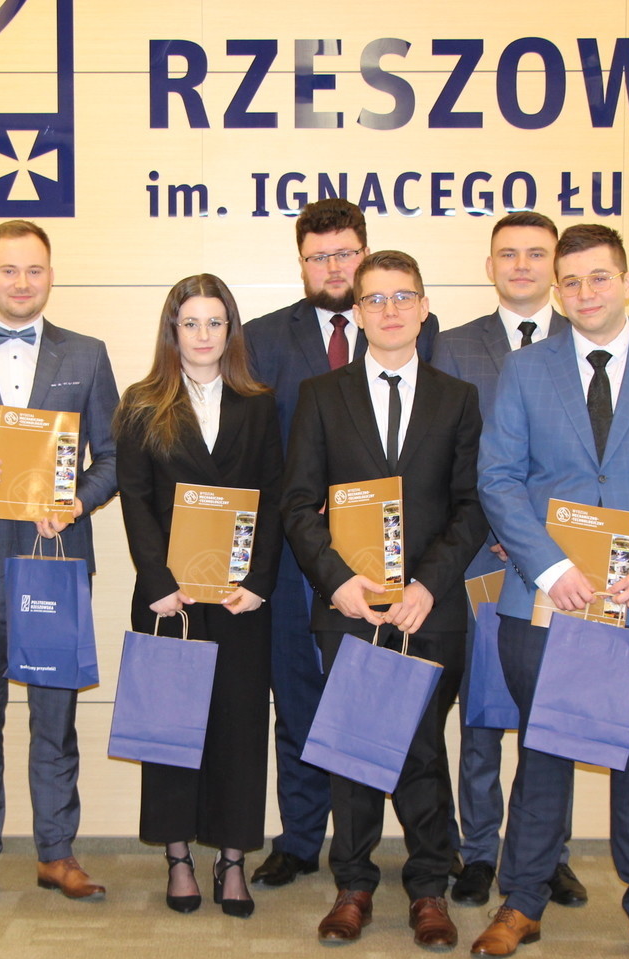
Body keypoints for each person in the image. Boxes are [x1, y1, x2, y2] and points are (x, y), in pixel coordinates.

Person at [474, 224, 629, 959]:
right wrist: (551, 567)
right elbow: (499, 479)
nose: (585, 293)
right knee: (543, 754)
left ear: (628, 281)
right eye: (572, 282)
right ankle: (522, 902)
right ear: (558, 292)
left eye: (599, 278)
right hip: (548, 601)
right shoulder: (526, 370)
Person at [281, 250, 486, 950]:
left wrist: (428, 585)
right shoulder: (321, 394)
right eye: (375, 299)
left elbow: (471, 507)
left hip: (429, 606)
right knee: (352, 749)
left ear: (424, 309)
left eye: (403, 297)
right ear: (358, 312)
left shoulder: (458, 399)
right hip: (351, 605)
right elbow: (297, 503)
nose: (390, 310)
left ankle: (429, 889)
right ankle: (354, 886)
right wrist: (337, 581)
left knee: (423, 748)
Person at [0, 220, 119, 907]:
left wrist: (78, 501)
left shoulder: (87, 354)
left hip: (56, 560)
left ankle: (57, 854)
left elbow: (113, 457)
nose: (22, 282)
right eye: (8, 269)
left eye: (34, 270)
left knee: (55, 720)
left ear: (50, 276)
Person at [243, 198, 441, 888]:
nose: (333, 267)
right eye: (318, 257)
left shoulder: (406, 325)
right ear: (301, 263)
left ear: (365, 253)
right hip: (296, 556)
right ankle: (302, 837)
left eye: (345, 254)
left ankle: (382, 843)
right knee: (298, 696)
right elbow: (254, 449)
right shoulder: (263, 339)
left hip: (393, 562)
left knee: (391, 699)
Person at [113, 274, 283, 918]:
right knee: (169, 730)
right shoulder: (141, 402)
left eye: (215, 322)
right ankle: (179, 856)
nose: (204, 334)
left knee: (239, 729)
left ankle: (232, 859)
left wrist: (259, 583)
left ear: (230, 330)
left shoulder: (258, 404)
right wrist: (157, 582)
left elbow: (274, 499)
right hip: (171, 597)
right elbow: (135, 499)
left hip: (238, 597)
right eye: (191, 323)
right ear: (173, 331)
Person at [433, 210, 587, 910]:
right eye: (508, 254)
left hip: (565, 562)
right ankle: (477, 851)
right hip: (480, 559)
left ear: (555, 265)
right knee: (482, 712)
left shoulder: (585, 341)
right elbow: (442, 452)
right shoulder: (452, 347)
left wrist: (540, 535)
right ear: (489, 266)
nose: (521, 265)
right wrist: (491, 526)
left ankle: (549, 855)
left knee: (556, 710)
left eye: (535, 254)